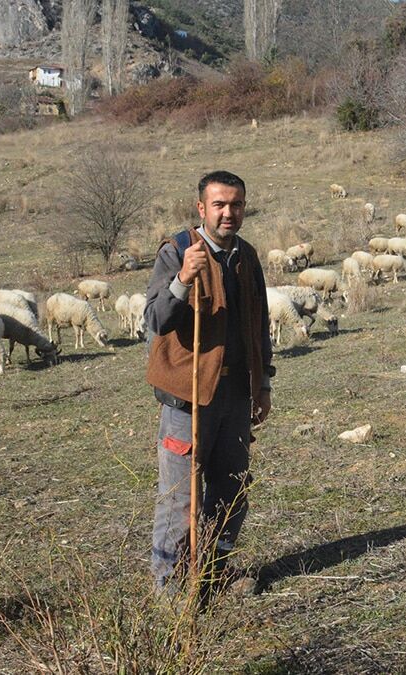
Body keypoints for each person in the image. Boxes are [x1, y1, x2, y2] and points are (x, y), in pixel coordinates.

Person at [144, 170, 273, 595]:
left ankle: (214, 571)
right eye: (219, 204)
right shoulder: (178, 250)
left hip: (235, 396)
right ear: (202, 208)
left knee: (231, 491)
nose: (228, 213)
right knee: (182, 498)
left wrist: (263, 386)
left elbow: (259, 326)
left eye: (236, 204)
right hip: (189, 398)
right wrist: (183, 280)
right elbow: (155, 321)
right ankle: (170, 591)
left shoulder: (247, 257)